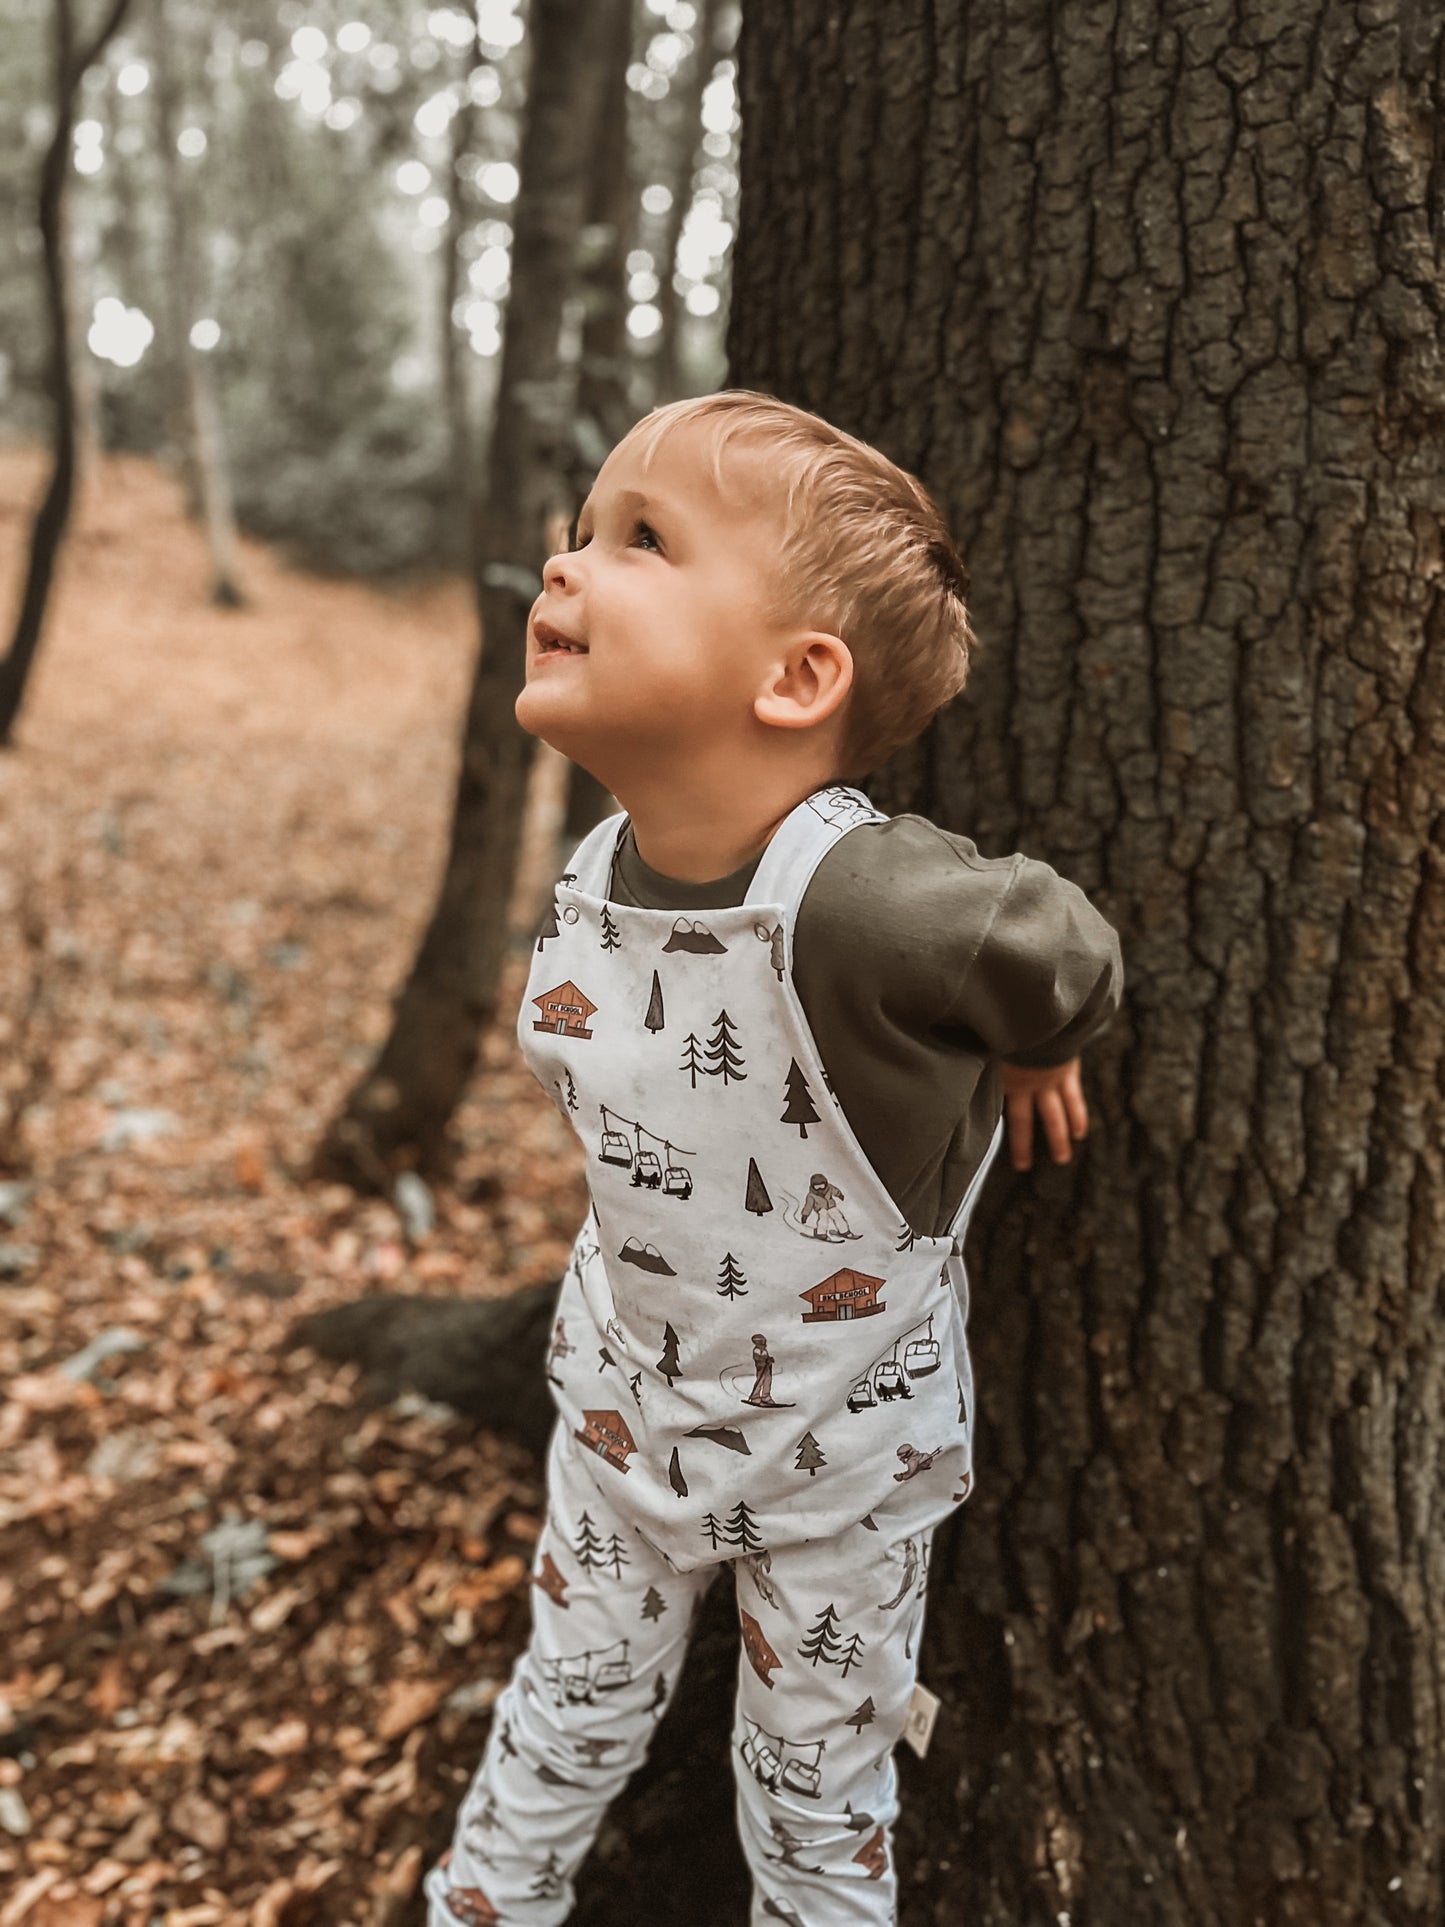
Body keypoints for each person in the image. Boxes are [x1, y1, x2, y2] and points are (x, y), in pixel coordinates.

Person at [426, 391, 1123, 1927]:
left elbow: (1059, 944)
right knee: (557, 1724)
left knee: (813, 1794)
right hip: (619, 1421)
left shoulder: (869, 907)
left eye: (641, 540)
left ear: (796, 678)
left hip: (835, 1469)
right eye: (582, 528)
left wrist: (1041, 1043)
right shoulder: (596, 871)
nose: (565, 562)